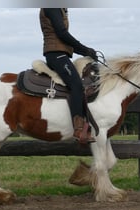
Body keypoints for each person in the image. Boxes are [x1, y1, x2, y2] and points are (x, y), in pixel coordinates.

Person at [39, 8, 98, 144]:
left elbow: (64, 39)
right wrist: (84, 49)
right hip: (56, 55)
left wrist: (86, 52)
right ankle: (78, 129)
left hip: (60, 53)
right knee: (77, 85)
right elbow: (62, 33)